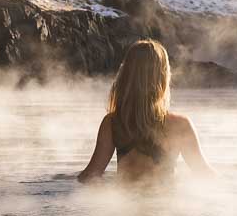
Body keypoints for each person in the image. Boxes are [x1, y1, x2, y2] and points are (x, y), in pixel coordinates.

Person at [77, 39, 214, 184]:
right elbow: (204, 174)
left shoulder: (113, 123)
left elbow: (90, 176)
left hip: (125, 203)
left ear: (126, 75)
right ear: (162, 77)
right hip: (165, 203)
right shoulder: (180, 125)